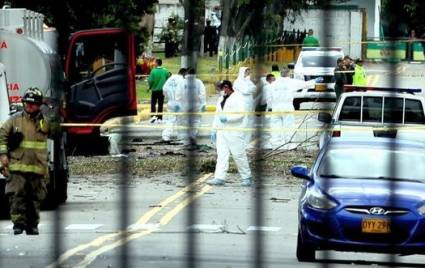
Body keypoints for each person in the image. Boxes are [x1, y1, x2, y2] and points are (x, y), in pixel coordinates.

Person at [0, 88, 54, 235]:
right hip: (17, 166)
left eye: (34, 104)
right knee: (16, 195)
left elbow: (54, 129)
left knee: (35, 198)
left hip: (37, 166)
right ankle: (18, 224)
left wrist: (49, 111)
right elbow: (2, 136)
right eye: (27, 103)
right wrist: (3, 154)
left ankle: (32, 225)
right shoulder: (15, 120)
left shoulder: (44, 121)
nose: (29, 106)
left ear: (39, 105)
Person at [207, 80, 252, 186]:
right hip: (221, 131)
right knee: (222, 155)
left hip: (234, 131)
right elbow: (217, 115)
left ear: (227, 87)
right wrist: (214, 129)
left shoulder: (238, 98)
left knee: (239, 155)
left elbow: (241, 114)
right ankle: (219, 177)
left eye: (222, 88)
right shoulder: (221, 98)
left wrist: (227, 118)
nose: (221, 91)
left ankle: (246, 177)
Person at [175, 68, 206, 145]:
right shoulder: (199, 82)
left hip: (184, 106)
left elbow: (178, 95)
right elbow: (203, 94)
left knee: (185, 122)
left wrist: (179, 104)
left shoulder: (182, 82)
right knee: (196, 121)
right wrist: (203, 104)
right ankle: (192, 136)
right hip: (196, 106)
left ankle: (186, 139)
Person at [233, 67, 257, 145]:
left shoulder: (248, 81)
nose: (248, 73)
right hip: (241, 105)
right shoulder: (237, 81)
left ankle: (246, 142)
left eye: (249, 72)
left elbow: (254, 88)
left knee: (249, 123)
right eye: (246, 72)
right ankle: (240, 142)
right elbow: (246, 91)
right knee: (243, 123)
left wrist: (250, 88)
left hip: (250, 104)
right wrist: (250, 89)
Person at [162, 68, 187, 141]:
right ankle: (181, 137)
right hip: (180, 103)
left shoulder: (170, 79)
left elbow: (164, 89)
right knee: (181, 121)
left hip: (171, 102)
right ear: (184, 74)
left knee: (170, 120)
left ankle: (166, 136)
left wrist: (168, 97)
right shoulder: (183, 81)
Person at [148, 58, 170, 123]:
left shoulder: (153, 71)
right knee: (160, 104)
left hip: (154, 90)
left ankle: (153, 117)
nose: (154, 63)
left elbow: (150, 81)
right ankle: (160, 118)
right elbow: (168, 79)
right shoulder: (165, 71)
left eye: (155, 62)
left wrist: (150, 87)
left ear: (157, 63)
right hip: (162, 91)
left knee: (153, 104)